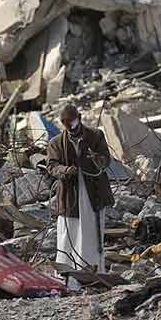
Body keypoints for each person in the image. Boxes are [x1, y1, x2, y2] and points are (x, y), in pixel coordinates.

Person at [46, 105, 115, 273]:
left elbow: (106, 160)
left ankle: (93, 270)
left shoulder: (95, 136)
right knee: (69, 231)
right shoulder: (55, 143)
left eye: (72, 121)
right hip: (70, 195)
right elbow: (51, 166)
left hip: (94, 192)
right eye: (65, 123)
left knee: (92, 232)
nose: (70, 126)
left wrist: (96, 158)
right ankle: (68, 271)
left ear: (80, 117)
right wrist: (65, 170)